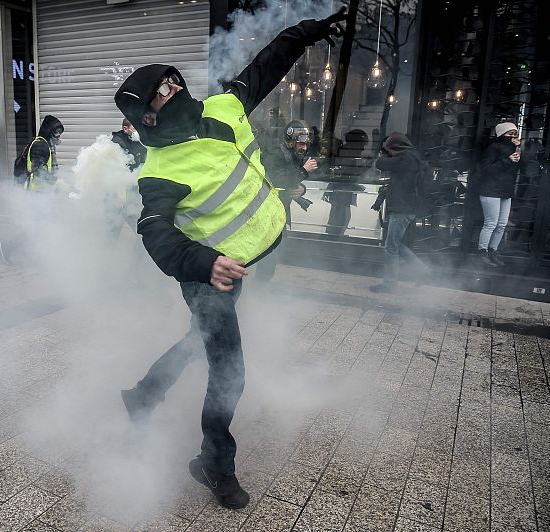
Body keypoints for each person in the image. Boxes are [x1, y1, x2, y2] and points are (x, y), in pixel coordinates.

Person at [113, 9, 347, 509]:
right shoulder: (158, 171)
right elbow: (152, 233)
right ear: (147, 118)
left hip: (238, 261)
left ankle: (141, 398)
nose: (175, 89)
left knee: (196, 344)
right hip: (208, 276)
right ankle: (213, 464)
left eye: (174, 80)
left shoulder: (224, 106)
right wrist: (203, 265)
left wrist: (306, 31)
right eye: (163, 92)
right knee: (230, 372)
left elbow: (269, 63)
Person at [0, 115, 65, 264]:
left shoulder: (46, 144)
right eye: (56, 131)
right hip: (35, 194)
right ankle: (9, 247)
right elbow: (34, 169)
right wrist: (53, 182)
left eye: (60, 132)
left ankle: (35, 253)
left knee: (40, 226)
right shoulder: (41, 145)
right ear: (49, 130)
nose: (59, 135)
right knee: (37, 227)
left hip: (42, 193)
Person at [255, 120, 315, 282]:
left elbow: (291, 181)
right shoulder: (276, 154)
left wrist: (301, 189)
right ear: (291, 140)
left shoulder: (292, 155)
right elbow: (277, 179)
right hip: (267, 213)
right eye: (301, 143)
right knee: (268, 255)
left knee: (273, 254)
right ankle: (257, 291)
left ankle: (260, 289)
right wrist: (304, 171)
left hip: (279, 211)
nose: (304, 147)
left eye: (306, 143)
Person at [369, 132, 428, 293]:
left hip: (402, 209)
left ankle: (390, 284)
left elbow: (380, 164)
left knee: (391, 246)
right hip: (407, 208)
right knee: (394, 243)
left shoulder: (406, 159)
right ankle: (421, 269)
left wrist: (384, 153)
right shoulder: (412, 157)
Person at [477, 122, 521, 267]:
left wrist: (519, 149)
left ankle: (493, 251)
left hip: (505, 191)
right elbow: (486, 169)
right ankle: (482, 251)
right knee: (491, 223)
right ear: (501, 134)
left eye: (515, 133)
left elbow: (523, 165)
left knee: (501, 224)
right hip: (490, 190)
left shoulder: (513, 148)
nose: (513, 136)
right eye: (510, 133)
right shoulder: (493, 147)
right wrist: (507, 161)